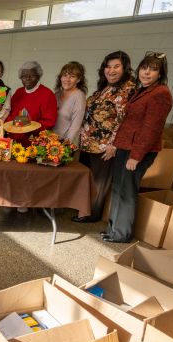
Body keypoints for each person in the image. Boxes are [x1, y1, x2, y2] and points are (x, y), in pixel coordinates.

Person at [103, 52, 172, 243]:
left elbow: (151, 129)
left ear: (161, 73)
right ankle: (112, 229)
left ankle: (121, 234)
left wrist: (136, 156)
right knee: (118, 189)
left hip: (138, 151)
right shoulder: (142, 90)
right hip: (126, 147)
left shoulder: (161, 94)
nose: (147, 73)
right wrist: (117, 145)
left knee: (127, 192)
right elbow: (128, 122)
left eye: (153, 69)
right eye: (144, 68)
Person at [73, 51, 136, 223]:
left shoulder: (127, 90)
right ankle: (82, 209)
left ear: (125, 68)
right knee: (86, 179)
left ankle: (90, 214)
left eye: (116, 67)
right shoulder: (105, 87)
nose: (111, 71)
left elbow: (124, 120)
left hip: (104, 146)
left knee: (97, 182)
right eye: (108, 67)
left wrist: (114, 145)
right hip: (88, 143)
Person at [5, 61, 58, 147]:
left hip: (34, 145)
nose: (28, 78)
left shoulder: (47, 94)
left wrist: (29, 126)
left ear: (38, 77)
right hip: (13, 143)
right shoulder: (19, 92)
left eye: (32, 75)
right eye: (24, 76)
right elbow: (10, 114)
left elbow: (49, 122)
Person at [53, 61, 87, 145]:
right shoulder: (56, 94)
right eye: (65, 75)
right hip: (51, 140)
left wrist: (66, 145)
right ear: (60, 77)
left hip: (66, 143)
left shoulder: (79, 96)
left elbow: (75, 126)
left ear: (78, 80)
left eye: (72, 77)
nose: (67, 80)